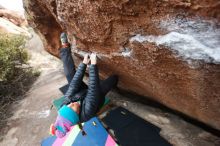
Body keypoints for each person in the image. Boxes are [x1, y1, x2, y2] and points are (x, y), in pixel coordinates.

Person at [50, 32, 118, 138]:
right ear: (76, 115)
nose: (70, 104)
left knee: (69, 75)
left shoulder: (65, 105)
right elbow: (93, 90)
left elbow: (74, 85)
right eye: (71, 107)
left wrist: (84, 64)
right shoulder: (87, 113)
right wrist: (93, 66)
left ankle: (65, 47)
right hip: (96, 96)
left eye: (67, 105)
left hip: (80, 93)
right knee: (113, 78)